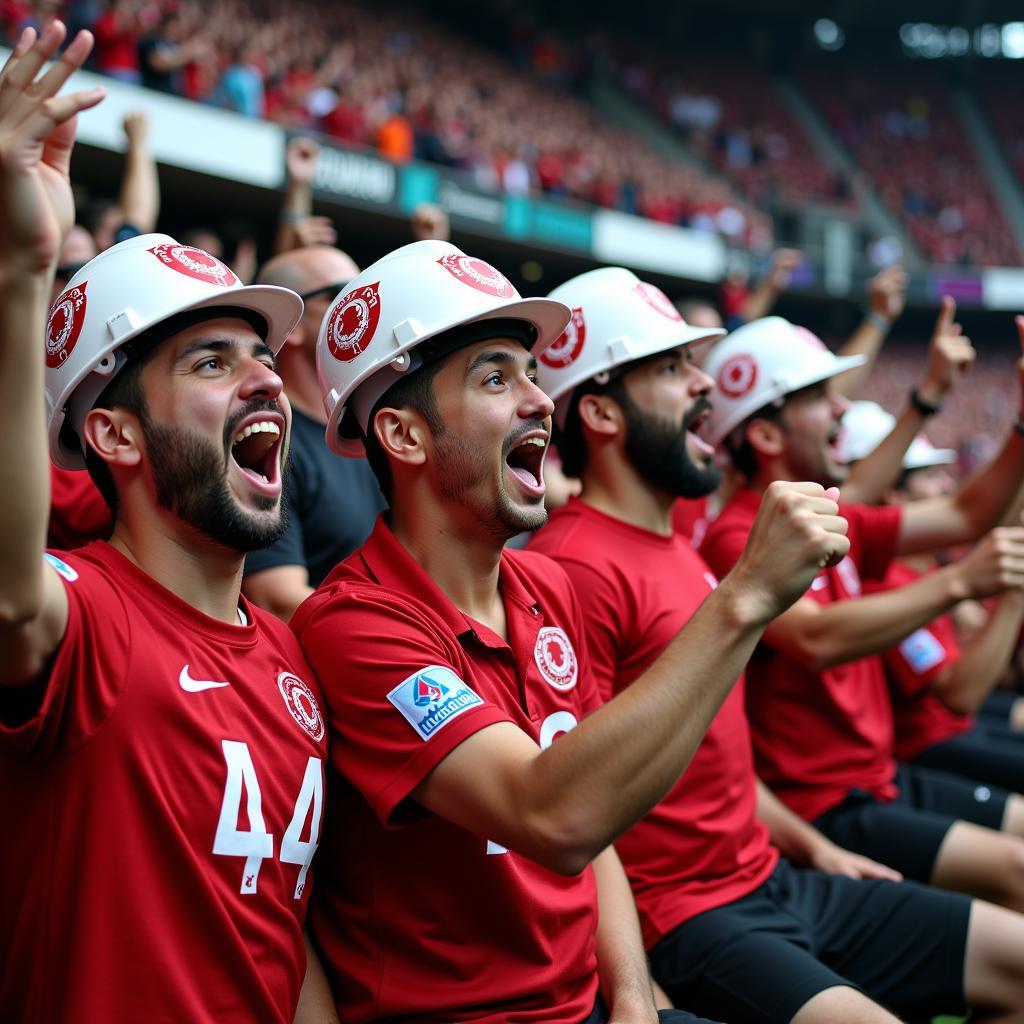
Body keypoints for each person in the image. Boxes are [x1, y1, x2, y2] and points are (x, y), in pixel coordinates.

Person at [292, 238, 851, 1022]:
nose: (538, 400)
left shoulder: (545, 584)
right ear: (404, 436)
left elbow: (597, 834)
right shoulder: (353, 625)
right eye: (496, 377)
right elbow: (554, 815)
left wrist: (631, 999)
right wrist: (746, 595)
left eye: (531, 374)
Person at [529, 265, 1024, 1024]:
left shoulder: (681, 548)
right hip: (691, 912)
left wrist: (801, 843)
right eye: (671, 368)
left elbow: (707, 747)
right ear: (598, 414)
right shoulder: (572, 566)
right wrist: (632, 985)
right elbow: (582, 796)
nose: (702, 387)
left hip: (774, 869)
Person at [0, 25, 334, 1023]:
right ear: (114, 432)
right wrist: (21, 270)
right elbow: (15, 602)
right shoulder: (82, 616)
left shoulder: (292, 657)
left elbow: (281, 932)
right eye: (209, 361)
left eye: (259, 352)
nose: (267, 373)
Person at [700, 312, 1024, 913]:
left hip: (878, 778)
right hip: (824, 804)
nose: (844, 411)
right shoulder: (734, 536)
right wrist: (957, 582)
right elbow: (816, 639)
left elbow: (965, 517)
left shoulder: (830, 512)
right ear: (767, 437)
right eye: (822, 398)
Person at [842, 400, 1024, 794]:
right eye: (928, 476)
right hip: (929, 746)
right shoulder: (884, 584)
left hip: (955, 731)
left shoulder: (920, 570)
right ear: (892, 493)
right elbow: (962, 694)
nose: (944, 484)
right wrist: (1014, 594)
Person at [243, 244, 385, 621]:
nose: (366, 313)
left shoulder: (388, 429)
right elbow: (278, 597)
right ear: (292, 326)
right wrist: (404, 634)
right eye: (345, 298)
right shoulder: (264, 444)